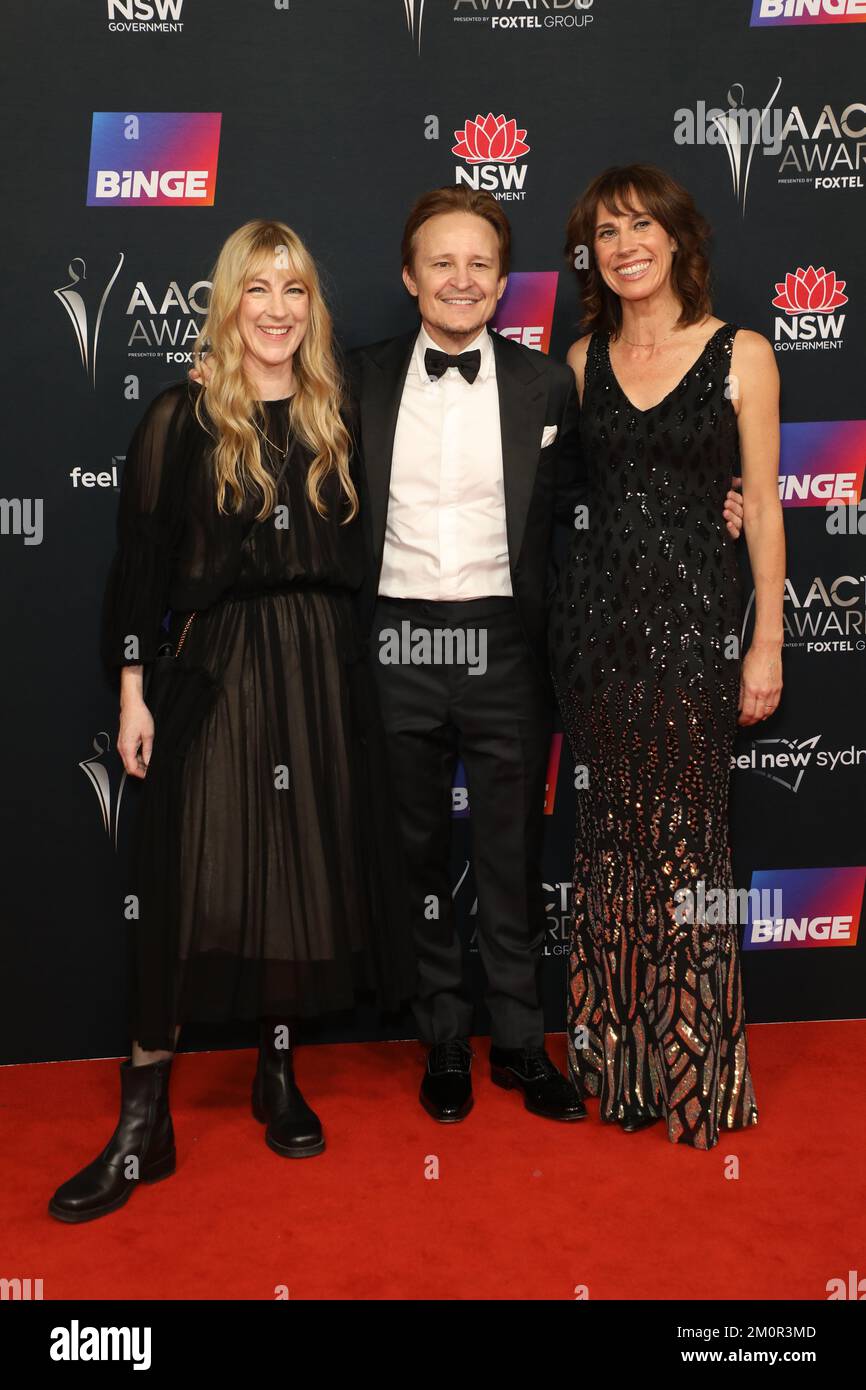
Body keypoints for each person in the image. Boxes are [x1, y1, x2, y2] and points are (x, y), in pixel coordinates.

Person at [348, 186, 746, 1125]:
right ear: (410, 278)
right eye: (440, 262)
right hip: (396, 638)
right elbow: (276, 423)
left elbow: (614, 488)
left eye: (479, 263)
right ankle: (443, 1036)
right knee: (412, 855)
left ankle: (521, 1042)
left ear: (503, 282)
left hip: (506, 645)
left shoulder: (546, 384)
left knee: (512, 852)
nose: (460, 279)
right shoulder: (354, 377)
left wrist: (715, 508)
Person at [49, 219, 414, 1223]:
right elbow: (137, 573)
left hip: (323, 668)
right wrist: (131, 688)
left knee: (296, 875)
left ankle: (277, 1073)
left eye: (294, 289)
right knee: (183, 882)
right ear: (227, 302)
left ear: (312, 307)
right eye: (258, 289)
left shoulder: (341, 414)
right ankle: (143, 1120)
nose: (278, 310)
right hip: (215, 669)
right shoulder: (179, 419)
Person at [550, 164, 784, 1148]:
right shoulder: (577, 361)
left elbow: (762, 503)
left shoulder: (741, 354)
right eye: (605, 233)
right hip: (594, 634)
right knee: (607, 851)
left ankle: (696, 1073)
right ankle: (620, 1069)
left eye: (639, 224)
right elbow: (556, 500)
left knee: (686, 848)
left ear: (678, 238)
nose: (623, 245)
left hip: (693, 633)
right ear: (589, 256)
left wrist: (763, 636)